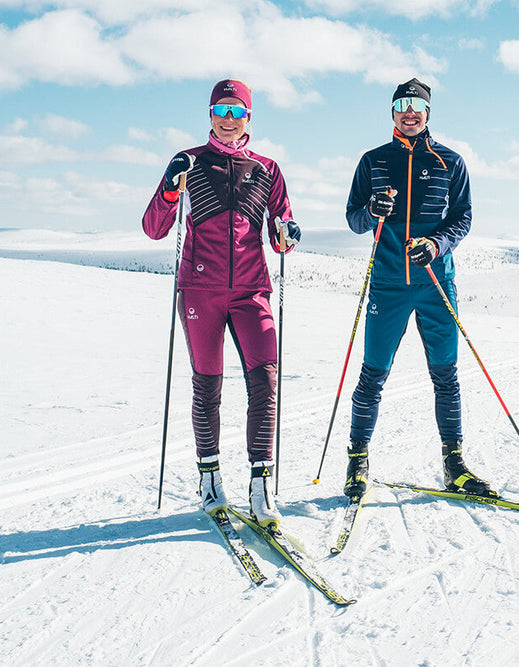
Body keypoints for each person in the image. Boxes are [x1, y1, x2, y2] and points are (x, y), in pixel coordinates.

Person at [142, 79, 301, 529]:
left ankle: (259, 486)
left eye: (237, 111)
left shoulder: (267, 168)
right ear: (209, 113)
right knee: (207, 385)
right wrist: (172, 188)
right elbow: (155, 227)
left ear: (249, 117)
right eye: (220, 110)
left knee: (265, 381)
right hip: (200, 290)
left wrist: (288, 233)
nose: (228, 119)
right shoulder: (189, 163)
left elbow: (279, 231)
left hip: (252, 290)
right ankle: (209, 479)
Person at [341, 77, 495, 500]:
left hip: (435, 284)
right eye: (402, 104)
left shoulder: (451, 162)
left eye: (418, 105)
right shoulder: (373, 161)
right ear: (392, 112)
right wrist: (372, 211)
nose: (410, 111)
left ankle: (455, 464)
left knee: (446, 376)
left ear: (428, 112)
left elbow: (462, 219)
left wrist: (435, 243)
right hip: (389, 285)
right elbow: (353, 218)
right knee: (372, 375)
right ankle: (357, 461)